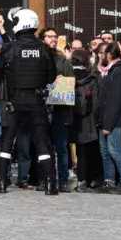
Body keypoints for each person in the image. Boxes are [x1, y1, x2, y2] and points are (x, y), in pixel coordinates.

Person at [0, 8, 57, 194]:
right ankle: (51, 183)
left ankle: (1, 182)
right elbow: (52, 75)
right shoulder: (43, 48)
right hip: (37, 100)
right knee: (42, 141)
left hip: (14, 100)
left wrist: (8, 79)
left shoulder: (10, 48)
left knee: (6, 140)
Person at [96, 42, 121, 194]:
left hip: (114, 120)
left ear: (109, 55)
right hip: (105, 119)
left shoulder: (119, 72)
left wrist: (108, 124)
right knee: (105, 151)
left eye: (104, 54)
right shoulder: (111, 71)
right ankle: (109, 181)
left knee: (115, 150)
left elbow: (116, 100)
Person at [43, 27, 74, 192]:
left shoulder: (63, 61)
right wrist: (51, 83)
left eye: (55, 36)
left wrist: (63, 81)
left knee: (62, 148)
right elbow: (37, 83)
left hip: (60, 109)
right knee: (44, 147)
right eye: (49, 36)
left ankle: (63, 180)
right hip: (42, 108)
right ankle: (45, 179)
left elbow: (70, 84)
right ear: (43, 39)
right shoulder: (40, 58)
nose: (53, 39)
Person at [69, 49, 104, 191]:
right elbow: (96, 103)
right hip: (88, 120)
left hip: (71, 117)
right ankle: (87, 180)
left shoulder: (68, 76)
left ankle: (78, 179)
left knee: (76, 151)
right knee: (88, 152)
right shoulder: (92, 78)